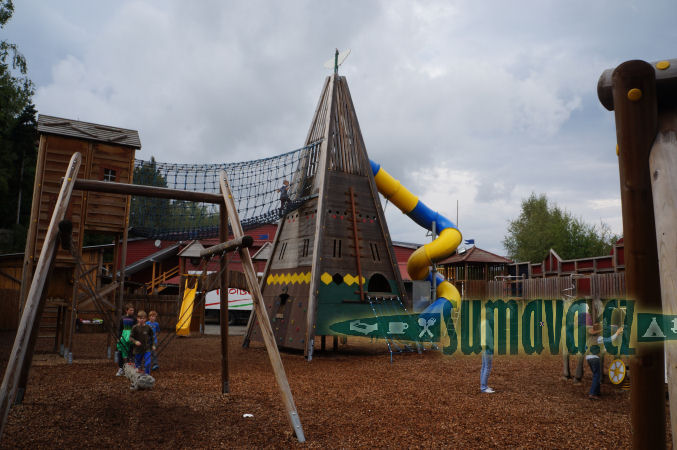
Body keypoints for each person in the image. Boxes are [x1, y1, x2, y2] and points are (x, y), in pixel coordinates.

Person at [586, 324, 624, 400]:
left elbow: (587, 348)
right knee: (597, 375)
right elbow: (610, 339)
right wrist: (617, 333)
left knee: (596, 375)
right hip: (595, 358)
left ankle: (597, 391)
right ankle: (592, 393)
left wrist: (601, 351)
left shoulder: (589, 339)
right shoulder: (599, 338)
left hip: (588, 358)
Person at [130, 310, 155, 375]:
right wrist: (135, 342)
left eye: (143, 318)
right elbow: (130, 338)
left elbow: (152, 336)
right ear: (137, 319)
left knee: (148, 363)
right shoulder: (135, 328)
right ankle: (137, 377)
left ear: (146, 319)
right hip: (138, 350)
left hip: (147, 348)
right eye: (140, 318)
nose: (141, 320)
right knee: (138, 364)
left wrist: (153, 345)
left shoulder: (148, 327)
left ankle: (147, 375)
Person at [115, 304, 135, 376]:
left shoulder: (134, 319)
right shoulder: (122, 318)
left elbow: (135, 329)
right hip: (123, 337)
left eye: (133, 310)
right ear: (126, 310)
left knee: (130, 352)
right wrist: (118, 337)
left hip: (131, 337)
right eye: (130, 310)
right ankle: (121, 368)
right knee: (121, 352)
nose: (132, 311)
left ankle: (129, 370)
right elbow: (120, 329)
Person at [480, 315, 494, 393]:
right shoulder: (486, 324)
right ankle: (483, 387)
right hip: (487, 347)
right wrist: (491, 346)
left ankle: (483, 385)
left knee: (484, 367)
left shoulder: (483, 323)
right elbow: (488, 337)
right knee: (487, 367)